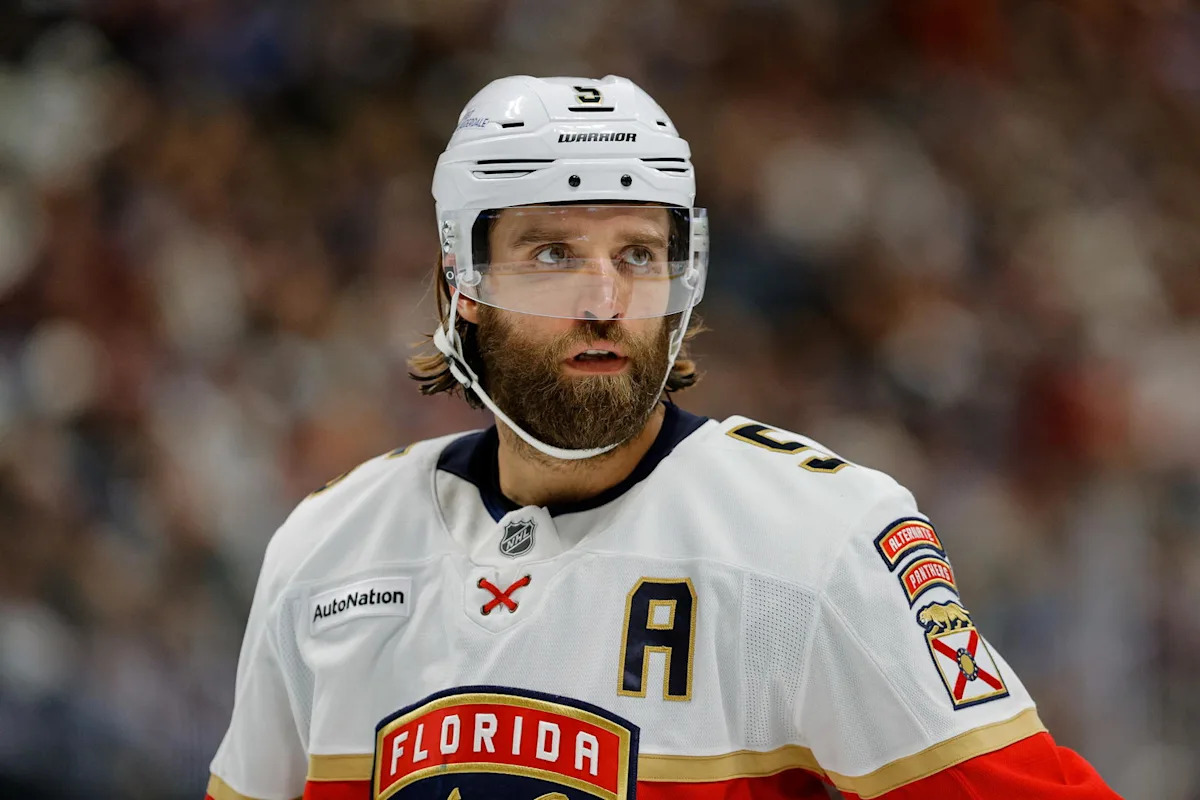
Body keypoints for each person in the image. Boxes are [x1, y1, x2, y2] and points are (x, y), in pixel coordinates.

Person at [206, 75, 1119, 800]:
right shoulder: (326, 551)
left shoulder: (818, 538)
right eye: (553, 255)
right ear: (463, 284)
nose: (605, 302)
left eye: (638, 255)